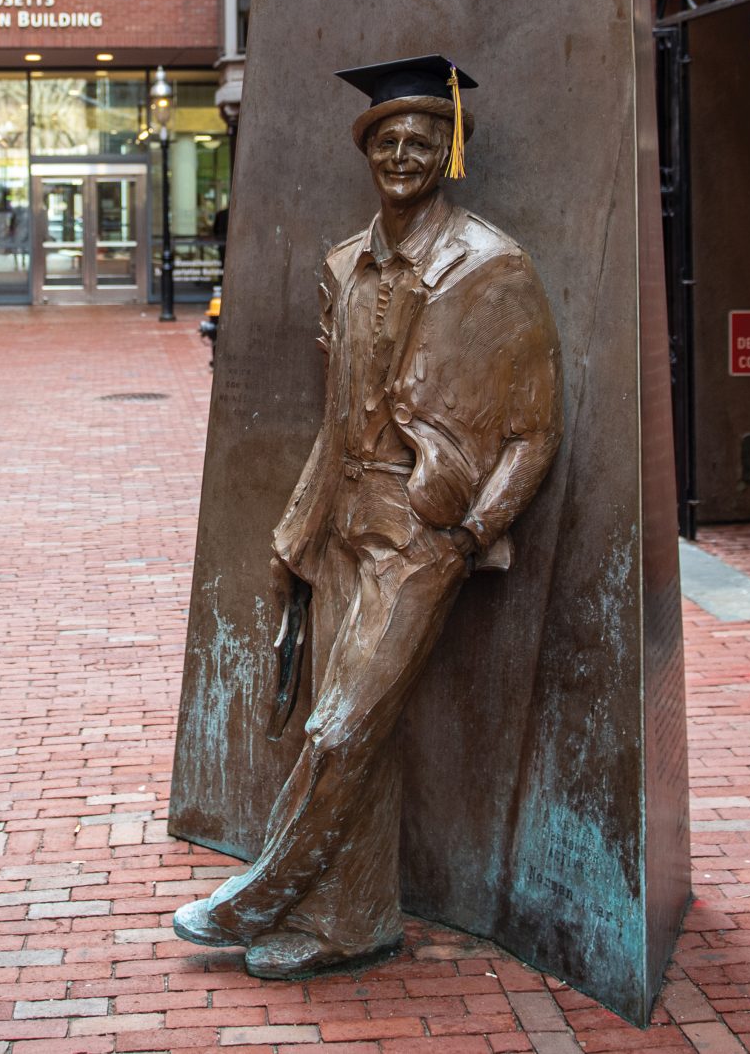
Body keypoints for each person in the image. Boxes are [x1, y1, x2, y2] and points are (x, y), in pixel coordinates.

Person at [172, 55, 563, 980]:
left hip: (422, 537)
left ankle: (257, 893)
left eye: (420, 140)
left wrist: (473, 531)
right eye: (385, 139)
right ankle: (353, 920)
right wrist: (297, 530)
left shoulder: (494, 265)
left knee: (341, 725)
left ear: (446, 151)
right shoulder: (343, 265)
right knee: (359, 733)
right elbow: (335, 414)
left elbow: (537, 431)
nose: (401, 153)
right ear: (367, 151)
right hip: (342, 524)